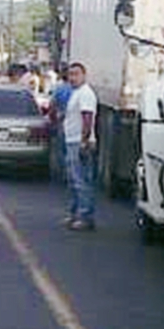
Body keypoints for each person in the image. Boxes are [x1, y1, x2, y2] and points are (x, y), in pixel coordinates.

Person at [62, 62, 98, 231]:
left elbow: (87, 118)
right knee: (74, 180)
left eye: (76, 74)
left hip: (79, 142)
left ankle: (85, 216)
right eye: (70, 74)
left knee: (81, 180)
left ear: (84, 75)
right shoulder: (76, 93)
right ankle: (75, 214)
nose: (73, 78)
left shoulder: (86, 94)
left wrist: (84, 141)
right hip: (72, 141)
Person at [48, 67, 73, 183]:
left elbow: (52, 105)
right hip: (75, 122)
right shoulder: (77, 89)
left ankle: (64, 173)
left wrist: (52, 120)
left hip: (62, 120)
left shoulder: (59, 88)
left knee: (62, 149)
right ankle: (71, 172)